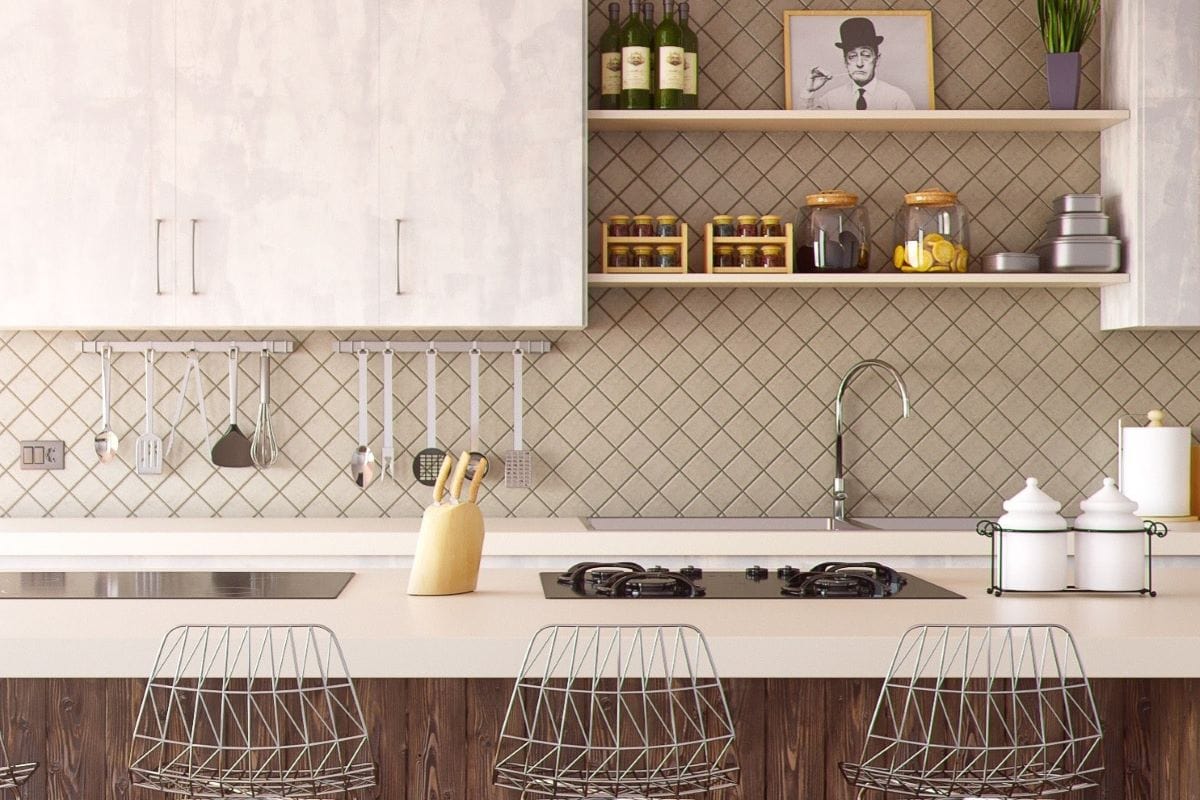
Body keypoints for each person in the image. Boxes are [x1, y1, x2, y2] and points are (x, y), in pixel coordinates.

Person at [804, 17, 916, 111]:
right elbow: (808, 127)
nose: (859, 63)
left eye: (866, 55)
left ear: (877, 59)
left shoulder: (898, 99)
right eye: (852, 56)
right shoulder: (830, 100)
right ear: (845, 62)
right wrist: (808, 91)